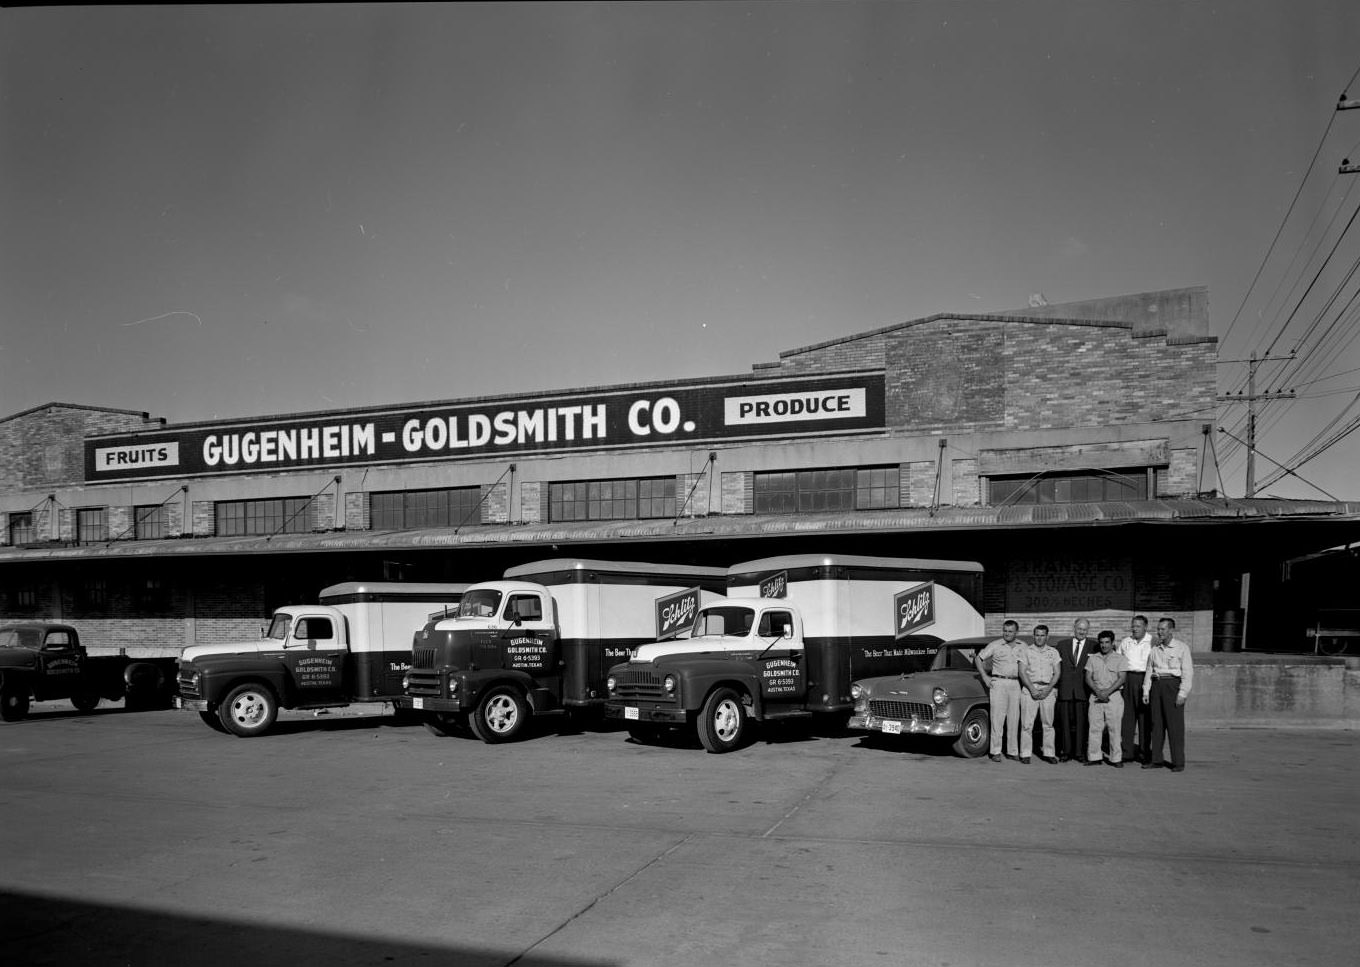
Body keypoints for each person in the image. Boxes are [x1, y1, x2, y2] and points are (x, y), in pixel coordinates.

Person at [1143, 617, 1194, 772]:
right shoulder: (1155, 650)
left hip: (1173, 686)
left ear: (1171, 630)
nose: (1160, 632)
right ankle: (1156, 759)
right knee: (1156, 725)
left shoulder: (1182, 648)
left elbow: (1188, 672)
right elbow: (1149, 671)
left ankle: (1178, 762)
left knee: (1175, 727)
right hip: (1157, 686)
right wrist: (1146, 690)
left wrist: (1183, 693)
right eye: (1158, 629)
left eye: (1163, 629)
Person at [975, 620, 1028, 762]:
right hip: (998, 683)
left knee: (1014, 718)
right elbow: (978, 659)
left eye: (1010, 631)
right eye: (1005, 630)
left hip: (1015, 683)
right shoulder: (995, 644)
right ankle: (995, 751)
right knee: (997, 718)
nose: (1007, 633)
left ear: (1016, 632)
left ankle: (1012, 751)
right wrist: (985, 677)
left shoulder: (1023, 646)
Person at [1018, 623, 1061, 764]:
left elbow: (1057, 673)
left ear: (1047, 636)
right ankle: (1025, 753)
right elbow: (1022, 672)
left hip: (1048, 690)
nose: (1040, 638)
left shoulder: (1053, 652)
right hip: (1029, 689)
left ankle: (1049, 753)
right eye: (1037, 635)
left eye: (1042, 635)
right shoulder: (1026, 651)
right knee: (1026, 724)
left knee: (1048, 724)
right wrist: (1032, 689)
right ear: (1033, 636)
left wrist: (1048, 689)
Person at [1054, 618, 1094, 762]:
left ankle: (1080, 753)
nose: (1081, 631)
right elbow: (1055, 668)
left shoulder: (1093, 646)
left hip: (1083, 691)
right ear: (1074, 628)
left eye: (1084, 629)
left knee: (1082, 724)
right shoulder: (1061, 645)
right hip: (1065, 690)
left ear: (1088, 630)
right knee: (1064, 723)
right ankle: (1066, 751)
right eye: (1079, 629)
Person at [1084, 630, 1127, 767]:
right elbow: (1088, 677)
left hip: (1113, 697)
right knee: (1095, 728)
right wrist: (1098, 691)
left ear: (1112, 643)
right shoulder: (1093, 658)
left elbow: (1122, 678)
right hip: (1096, 696)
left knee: (1114, 729)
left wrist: (1107, 692)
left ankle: (1116, 758)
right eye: (1101, 643)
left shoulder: (1120, 658)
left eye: (1107, 642)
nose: (1104, 645)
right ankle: (1094, 757)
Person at [1118, 614, 1154, 763]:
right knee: (1127, 717)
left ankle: (1145, 753)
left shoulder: (1152, 642)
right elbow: (1118, 660)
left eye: (1138, 626)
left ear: (1145, 627)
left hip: (1146, 679)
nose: (1134, 629)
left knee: (1145, 718)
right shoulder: (1126, 641)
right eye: (1133, 625)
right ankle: (1127, 752)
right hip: (1128, 679)